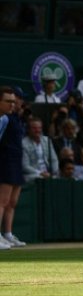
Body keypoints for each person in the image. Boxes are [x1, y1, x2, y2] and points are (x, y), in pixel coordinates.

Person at [0, 87, 26, 248]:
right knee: (2, 201)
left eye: (14, 101)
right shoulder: (6, 120)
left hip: (15, 161)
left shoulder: (6, 119)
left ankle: (7, 234)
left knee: (11, 202)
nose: (13, 104)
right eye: (8, 101)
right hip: (6, 161)